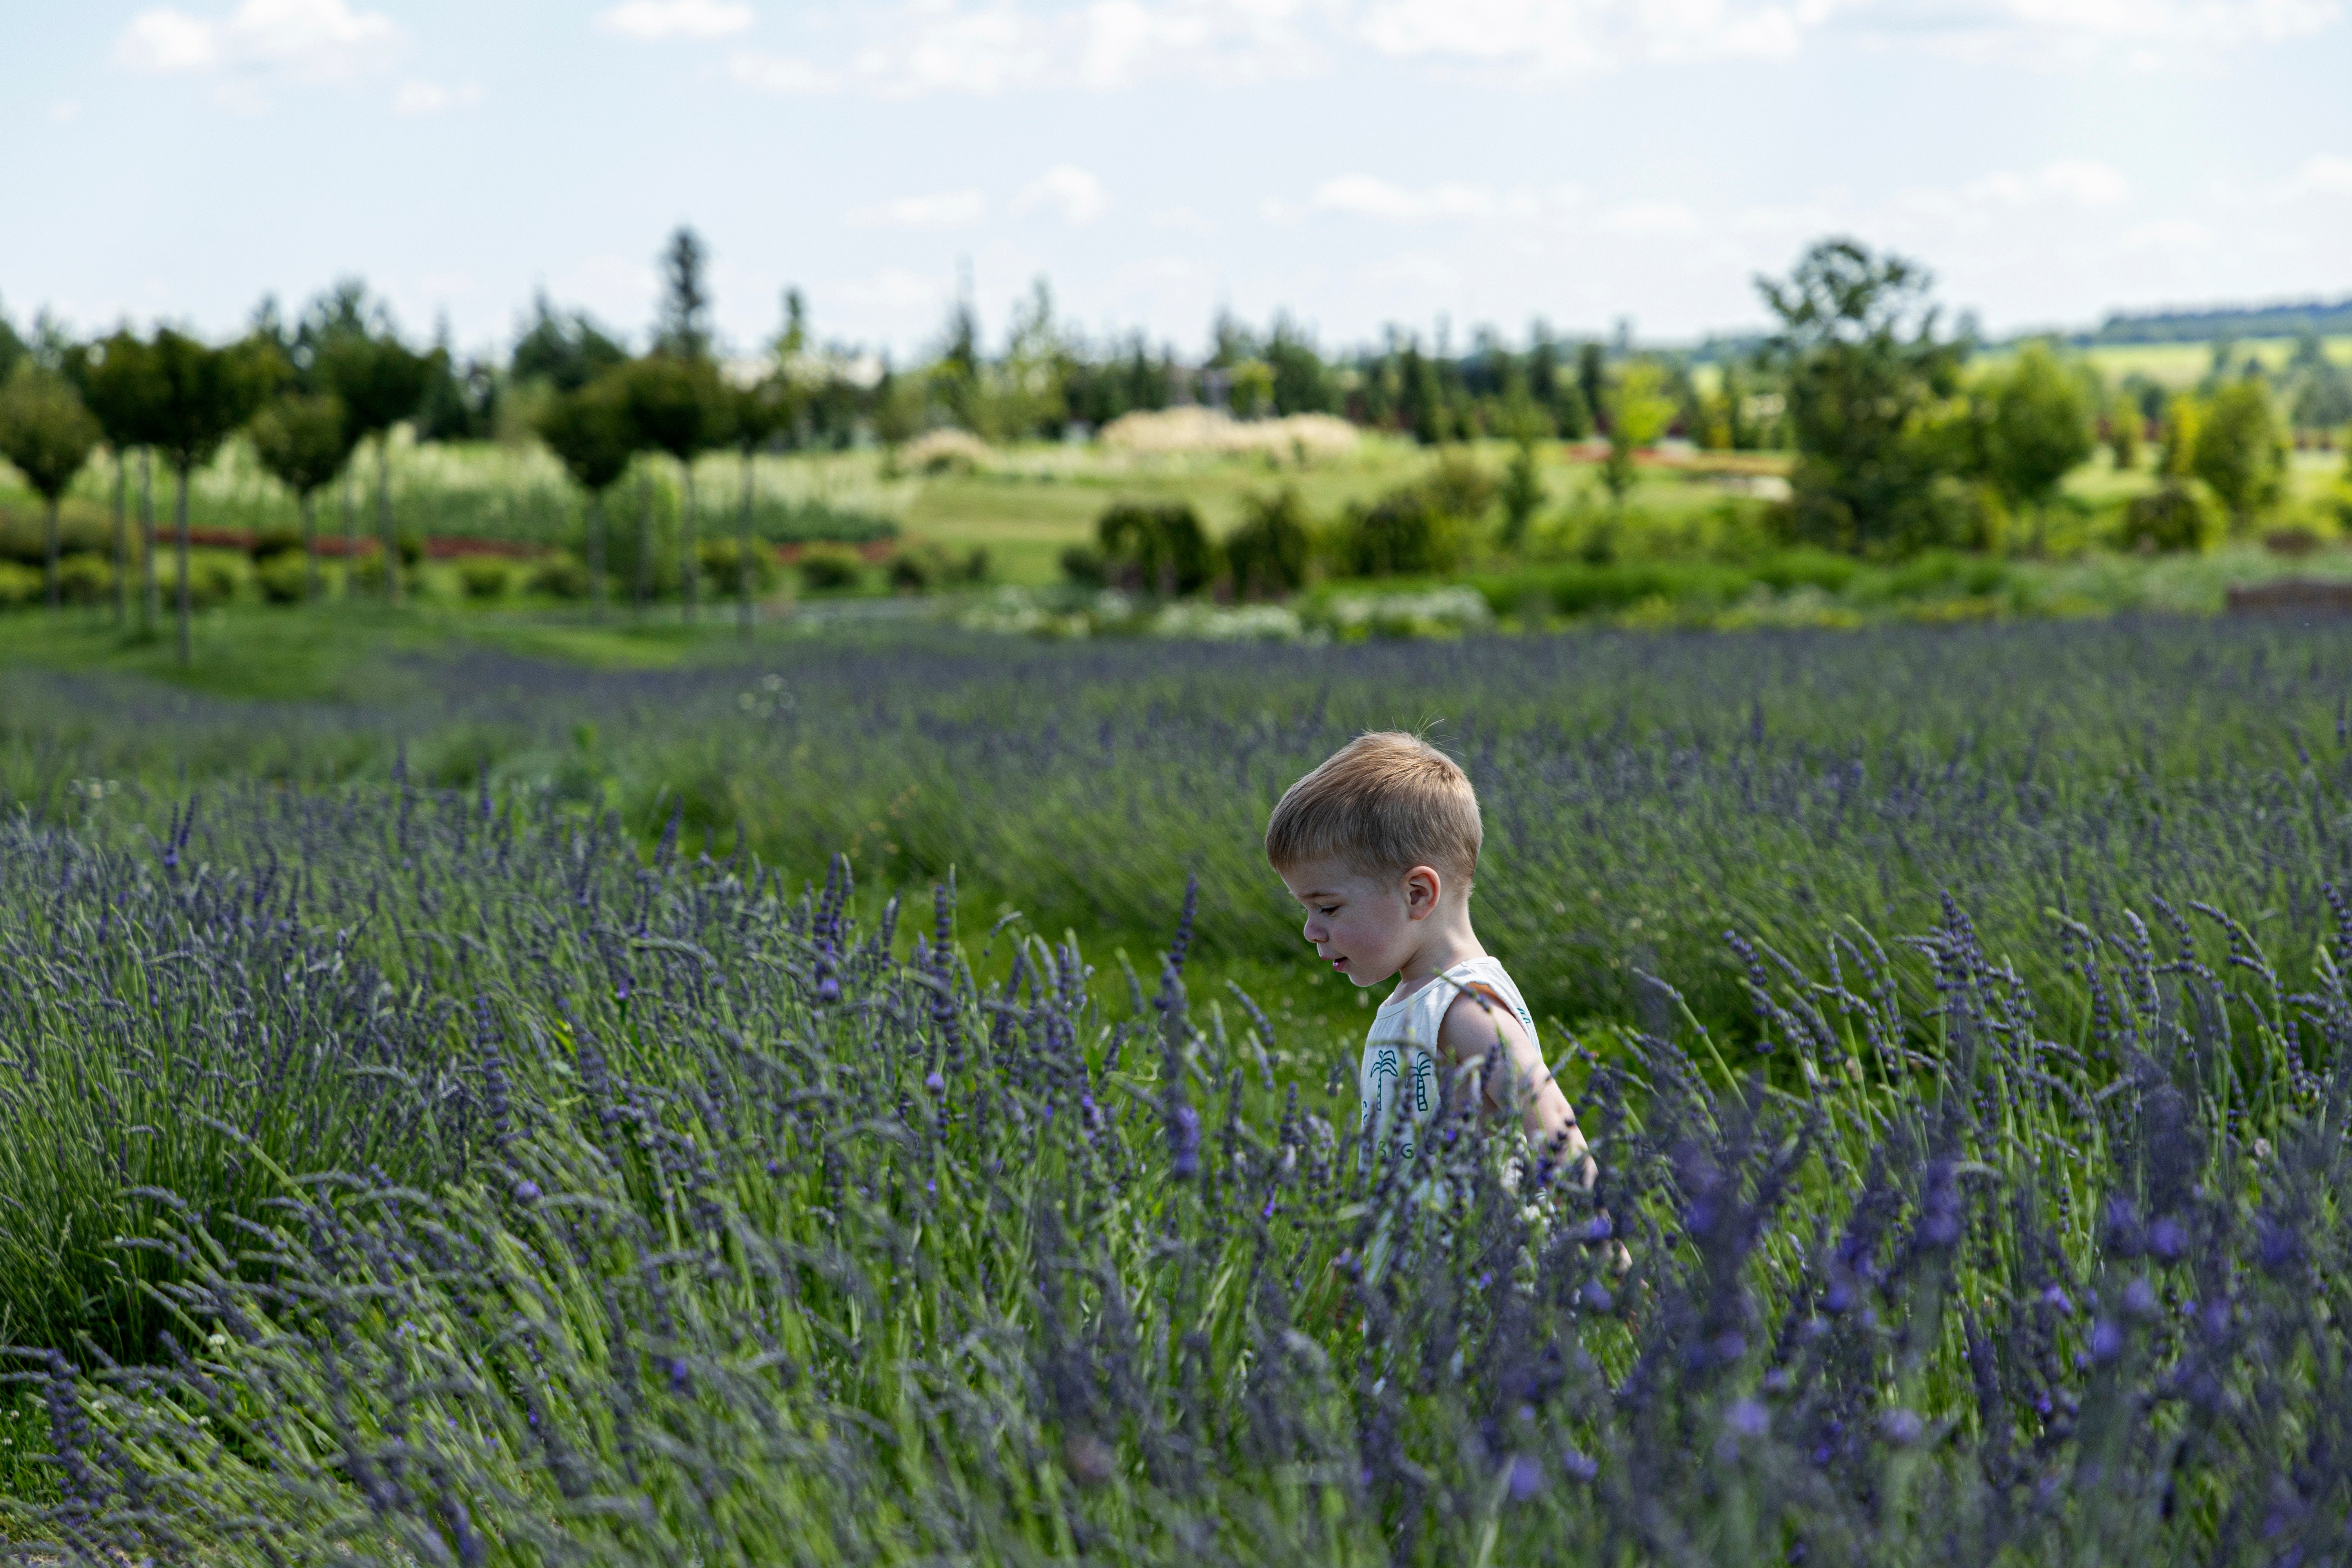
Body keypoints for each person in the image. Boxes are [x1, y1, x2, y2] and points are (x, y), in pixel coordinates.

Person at [1265, 730, 1592, 1185]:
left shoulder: (1464, 1009)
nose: (1310, 930)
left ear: (1417, 895)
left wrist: (1601, 1241)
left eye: (1328, 908)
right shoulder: (1416, 1000)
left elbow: (1552, 1122)